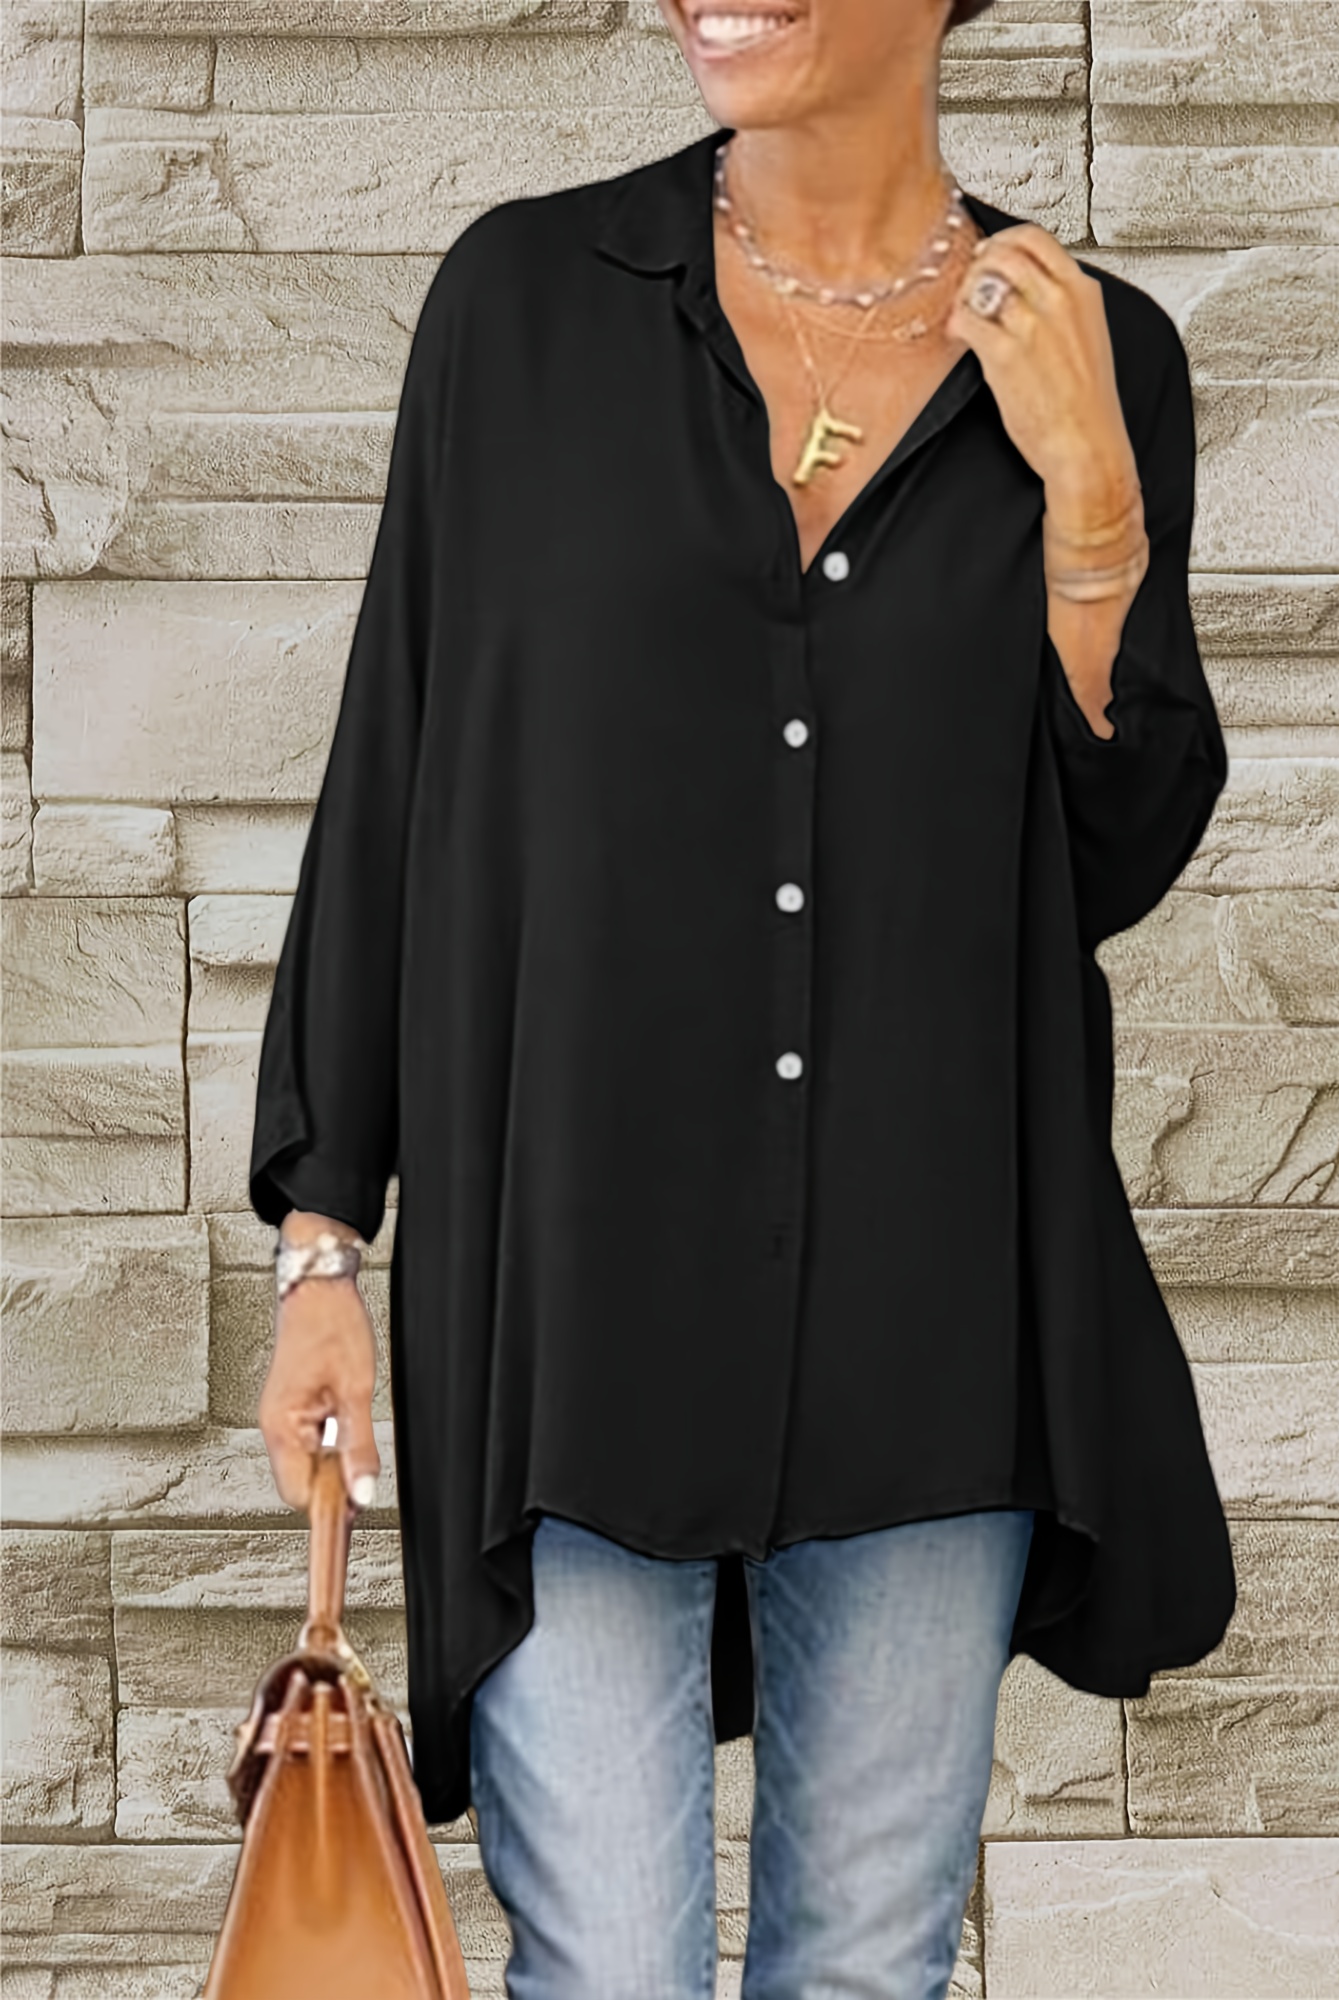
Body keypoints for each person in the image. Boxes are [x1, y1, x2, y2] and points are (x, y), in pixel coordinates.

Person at [250, 0, 1237, 1992]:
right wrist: (322, 1233)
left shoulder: (1094, 350)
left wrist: (1095, 507)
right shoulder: (526, 308)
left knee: (863, 1965)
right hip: (573, 1294)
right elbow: (399, 769)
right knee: (608, 1963)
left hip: (932, 1307)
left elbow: (1112, 852)